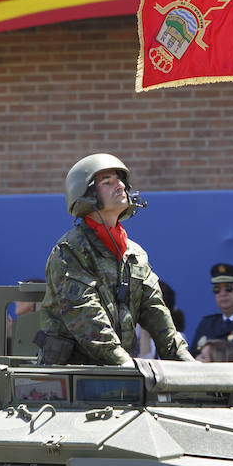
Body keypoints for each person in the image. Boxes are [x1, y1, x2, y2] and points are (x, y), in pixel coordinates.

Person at [36, 153, 191, 366]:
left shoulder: (134, 254)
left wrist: (184, 361)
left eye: (120, 180)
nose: (120, 185)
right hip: (71, 377)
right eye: (107, 182)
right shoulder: (69, 252)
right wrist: (125, 364)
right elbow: (86, 317)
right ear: (87, 195)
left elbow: (156, 310)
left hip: (117, 372)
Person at [190, 262, 233, 359]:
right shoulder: (207, 323)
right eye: (217, 290)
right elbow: (193, 354)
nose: (222, 294)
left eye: (228, 289)